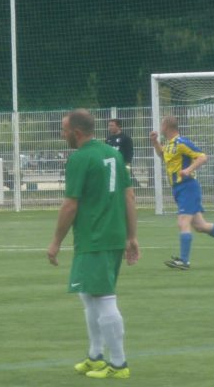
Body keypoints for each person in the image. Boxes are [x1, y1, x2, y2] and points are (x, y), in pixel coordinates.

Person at [47, 109, 138, 379]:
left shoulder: (80, 158)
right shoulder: (113, 154)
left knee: (103, 298)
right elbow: (129, 196)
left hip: (95, 237)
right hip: (112, 235)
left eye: (64, 130)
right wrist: (131, 236)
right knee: (88, 295)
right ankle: (96, 356)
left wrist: (55, 242)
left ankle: (119, 364)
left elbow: (70, 205)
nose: (62, 134)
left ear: (76, 132)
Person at [150, 116, 214, 270]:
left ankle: (184, 261)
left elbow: (203, 157)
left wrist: (188, 169)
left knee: (183, 222)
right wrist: (155, 142)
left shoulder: (181, 142)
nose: (160, 128)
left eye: (161, 125)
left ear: (166, 126)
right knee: (200, 226)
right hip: (179, 189)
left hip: (187, 187)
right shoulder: (170, 144)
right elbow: (162, 155)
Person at [106, 118, 136, 186]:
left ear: (119, 126)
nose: (110, 128)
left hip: (122, 165)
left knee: (123, 183)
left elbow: (130, 153)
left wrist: (127, 167)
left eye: (112, 126)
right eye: (109, 126)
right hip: (111, 165)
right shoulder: (108, 139)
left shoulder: (126, 138)